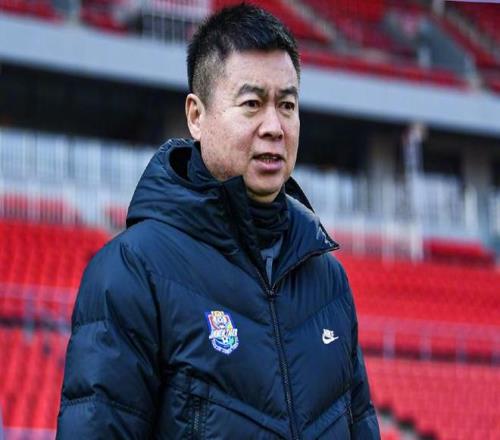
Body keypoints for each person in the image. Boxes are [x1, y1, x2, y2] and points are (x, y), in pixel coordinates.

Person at [57, 4, 380, 439]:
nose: (275, 126)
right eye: (252, 104)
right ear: (197, 116)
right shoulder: (132, 270)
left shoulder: (328, 281)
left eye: (287, 105)